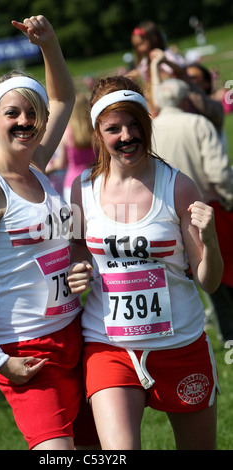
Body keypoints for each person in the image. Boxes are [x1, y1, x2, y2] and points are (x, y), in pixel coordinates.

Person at [0, 15, 97, 450]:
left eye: (32, 113)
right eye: (12, 113)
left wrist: (48, 45)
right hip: (23, 347)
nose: (25, 121)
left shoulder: (36, 166)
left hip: (74, 334)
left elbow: (63, 97)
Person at [67, 75, 223, 450]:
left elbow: (210, 281)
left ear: (147, 125)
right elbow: (76, 247)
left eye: (135, 124)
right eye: (114, 128)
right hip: (109, 346)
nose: (127, 136)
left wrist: (212, 239)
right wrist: (79, 270)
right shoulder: (80, 190)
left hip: (180, 343)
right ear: (97, 133)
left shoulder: (178, 186)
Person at [152, 78, 233, 342]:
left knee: (178, 276)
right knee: (218, 272)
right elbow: (218, 172)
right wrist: (229, 196)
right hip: (205, 210)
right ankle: (226, 331)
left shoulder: (150, 129)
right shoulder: (198, 123)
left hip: (162, 214)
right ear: (186, 99)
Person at [46, 92, 97, 205]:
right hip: (95, 181)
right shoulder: (95, 132)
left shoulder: (67, 132)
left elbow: (60, 164)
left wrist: (48, 169)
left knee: (76, 221)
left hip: (72, 183)